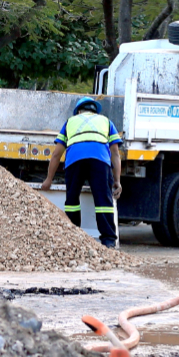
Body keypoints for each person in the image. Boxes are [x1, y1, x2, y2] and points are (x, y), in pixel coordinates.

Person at [41, 97, 123, 248]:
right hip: (100, 160)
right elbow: (115, 154)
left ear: (78, 111)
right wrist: (117, 181)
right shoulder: (106, 121)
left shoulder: (70, 122)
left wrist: (48, 180)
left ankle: (73, 238)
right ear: (94, 110)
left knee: (72, 199)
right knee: (103, 200)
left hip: (75, 160)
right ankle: (109, 240)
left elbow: (56, 155)